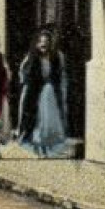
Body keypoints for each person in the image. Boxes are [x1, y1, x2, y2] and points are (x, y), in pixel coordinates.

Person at [17, 26, 69, 158]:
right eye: (41, 42)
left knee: (48, 121)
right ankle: (37, 148)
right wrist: (26, 82)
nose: (43, 44)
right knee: (36, 120)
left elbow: (61, 74)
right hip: (35, 90)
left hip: (49, 92)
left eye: (46, 42)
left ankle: (46, 148)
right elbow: (22, 70)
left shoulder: (57, 57)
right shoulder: (32, 56)